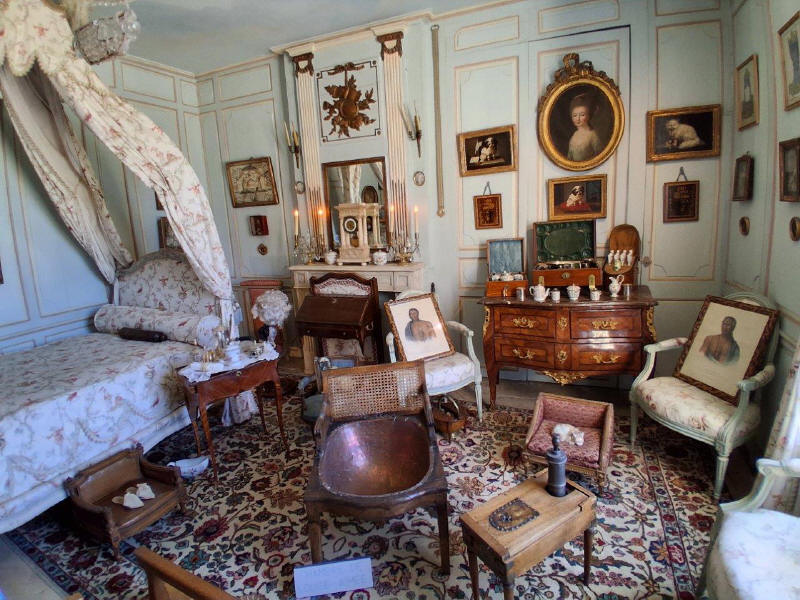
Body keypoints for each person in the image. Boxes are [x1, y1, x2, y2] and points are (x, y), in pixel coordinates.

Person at [567, 93, 603, 161]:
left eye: (582, 115)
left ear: (588, 116)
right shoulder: (575, 135)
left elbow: (599, 157)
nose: (578, 119)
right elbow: (569, 158)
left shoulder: (592, 135)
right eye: (575, 115)